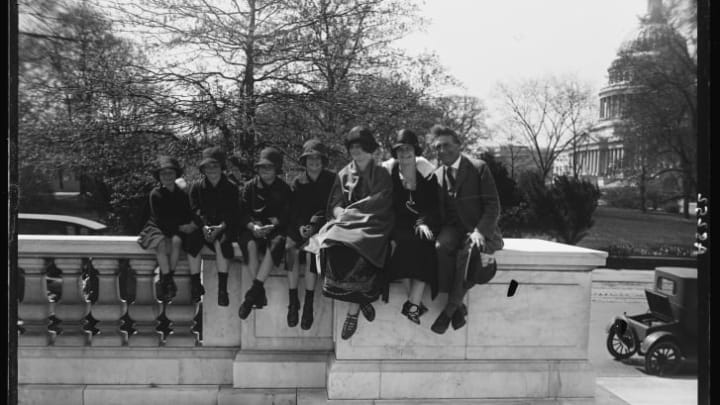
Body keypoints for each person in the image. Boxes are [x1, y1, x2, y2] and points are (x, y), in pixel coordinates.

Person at [315, 126, 395, 340]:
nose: (356, 151)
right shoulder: (344, 173)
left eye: (360, 147)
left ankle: (352, 314)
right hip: (348, 221)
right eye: (352, 147)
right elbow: (335, 203)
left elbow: (380, 202)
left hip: (372, 222)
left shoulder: (381, 173)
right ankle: (363, 299)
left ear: (369, 149)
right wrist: (340, 212)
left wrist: (352, 214)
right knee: (331, 240)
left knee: (360, 243)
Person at [428, 124, 504, 334]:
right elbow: (436, 212)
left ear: (459, 145)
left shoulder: (478, 168)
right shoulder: (437, 175)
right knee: (441, 247)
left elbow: (493, 205)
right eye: (437, 148)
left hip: (478, 228)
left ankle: (450, 309)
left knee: (469, 253)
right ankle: (459, 306)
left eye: (446, 145)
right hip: (453, 228)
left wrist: (480, 231)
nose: (442, 151)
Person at [385, 129, 440, 324]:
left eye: (408, 149)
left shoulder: (425, 171)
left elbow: (434, 204)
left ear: (415, 151)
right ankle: (414, 304)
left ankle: (413, 305)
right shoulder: (389, 172)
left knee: (425, 242)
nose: (404, 153)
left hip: (423, 221)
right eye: (400, 149)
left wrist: (424, 222)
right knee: (401, 243)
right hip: (397, 223)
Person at [285, 139, 335, 329]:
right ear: (304, 161)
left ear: (322, 161)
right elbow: (294, 210)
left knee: (312, 252)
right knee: (290, 249)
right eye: (310, 158)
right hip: (300, 227)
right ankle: (292, 301)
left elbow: (334, 208)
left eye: (317, 158)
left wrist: (316, 226)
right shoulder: (298, 181)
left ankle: (308, 304)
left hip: (322, 228)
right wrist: (300, 227)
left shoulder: (332, 180)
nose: (314, 162)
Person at [237, 147, 293, 320]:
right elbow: (241, 213)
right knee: (250, 244)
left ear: (276, 169)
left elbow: (287, 214)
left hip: (275, 230)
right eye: (262, 167)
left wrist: (271, 224)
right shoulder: (249, 187)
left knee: (277, 243)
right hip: (253, 230)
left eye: (269, 167)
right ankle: (259, 294)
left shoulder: (284, 188)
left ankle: (253, 291)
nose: (265, 170)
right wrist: (253, 226)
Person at [187, 146, 240, 307]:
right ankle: (196, 283)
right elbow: (194, 210)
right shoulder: (196, 187)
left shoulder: (231, 187)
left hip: (224, 227)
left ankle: (222, 289)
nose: (211, 169)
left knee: (222, 244)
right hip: (203, 226)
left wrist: (220, 227)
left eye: (215, 165)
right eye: (208, 166)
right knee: (191, 241)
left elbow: (234, 212)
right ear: (203, 169)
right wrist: (203, 226)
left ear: (221, 167)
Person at [145, 156, 199, 303]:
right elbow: (158, 217)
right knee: (160, 243)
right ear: (159, 177)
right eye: (163, 174)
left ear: (175, 175)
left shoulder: (182, 194)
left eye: (170, 173)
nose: (167, 177)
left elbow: (186, 213)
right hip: (158, 226)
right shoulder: (155, 194)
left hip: (177, 227)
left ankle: (168, 277)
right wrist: (178, 226)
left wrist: (189, 225)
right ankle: (167, 279)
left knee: (176, 241)